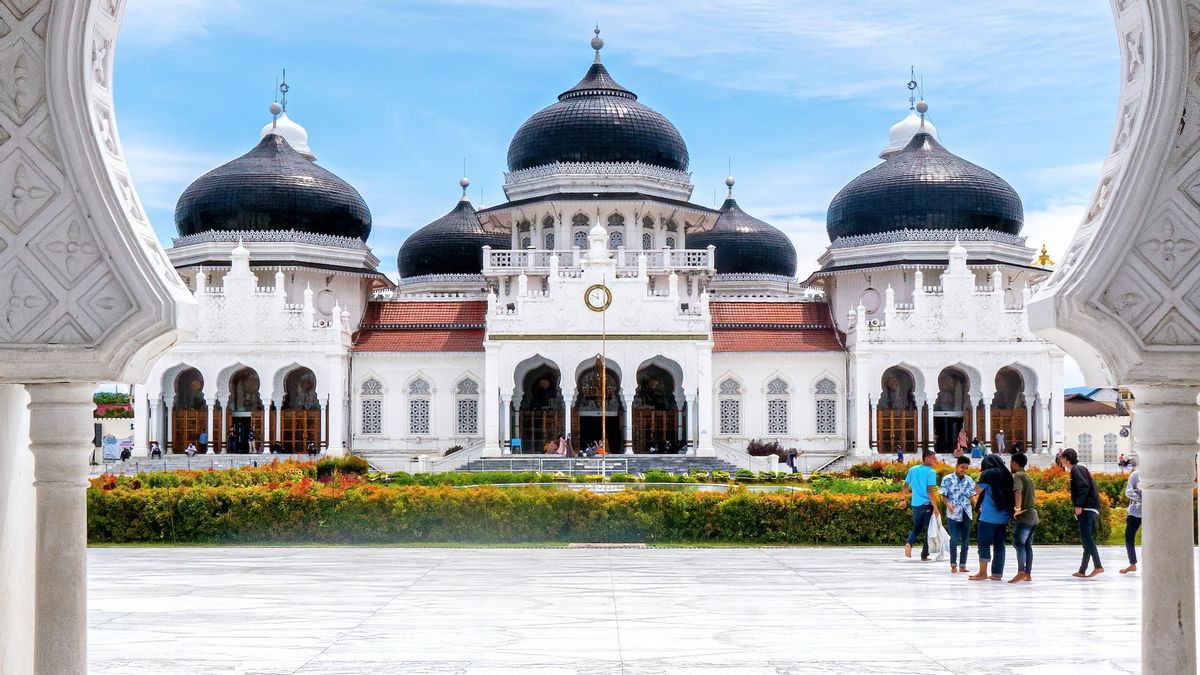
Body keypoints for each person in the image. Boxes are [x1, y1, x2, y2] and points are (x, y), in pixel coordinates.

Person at [970, 454, 1013, 581]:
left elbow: (976, 490)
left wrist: (979, 478)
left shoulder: (988, 474)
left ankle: (982, 572)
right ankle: (997, 573)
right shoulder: (1006, 473)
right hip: (1004, 516)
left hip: (989, 516)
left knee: (983, 543)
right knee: (999, 545)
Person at [1063, 448, 1104, 577]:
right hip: (1091, 508)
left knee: (1086, 538)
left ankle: (1098, 566)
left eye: (1062, 458)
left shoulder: (1076, 469)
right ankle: (1082, 570)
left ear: (1066, 459)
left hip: (1086, 509)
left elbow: (1083, 486)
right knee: (1087, 540)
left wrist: (1079, 505)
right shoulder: (1080, 469)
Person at [900, 450, 940, 560]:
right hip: (927, 505)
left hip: (915, 504)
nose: (934, 460)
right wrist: (935, 507)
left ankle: (909, 543)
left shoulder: (913, 469)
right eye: (933, 458)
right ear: (926, 458)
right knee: (928, 530)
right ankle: (924, 554)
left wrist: (903, 499)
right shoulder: (931, 472)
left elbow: (905, 486)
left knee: (917, 528)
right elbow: (930, 491)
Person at [939, 456, 975, 573]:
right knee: (954, 539)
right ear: (957, 466)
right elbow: (943, 495)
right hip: (953, 512)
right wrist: (948, 504)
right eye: (961, 467)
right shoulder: (947, 479)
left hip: (966, 512)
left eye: (966, 468)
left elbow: (972, 495)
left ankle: (963, 564)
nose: (963, 470)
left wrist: (978, 505)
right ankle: (953, 564)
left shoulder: (969, 480)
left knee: (965, 539)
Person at [1010, 452, 1039, 583]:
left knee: (1019, 543)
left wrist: (1017, 509)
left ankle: (1021, 571)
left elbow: (1018, 491)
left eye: (1011, 463)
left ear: (1015, 463)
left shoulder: (1018, 476)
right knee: (1027, 545)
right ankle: (1028, 573)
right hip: (1033, 516)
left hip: (1025, 517)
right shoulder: (1027, 476)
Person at [1121, 457, 1142, 574]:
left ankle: (1150, 564)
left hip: (1150, 512)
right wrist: (1141, 498)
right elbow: (1128, 491)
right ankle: (1132, 564)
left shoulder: (1155, 476)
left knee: (1151, 539)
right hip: (1135, 511)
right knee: (1129, 537)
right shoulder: (1135, 475)